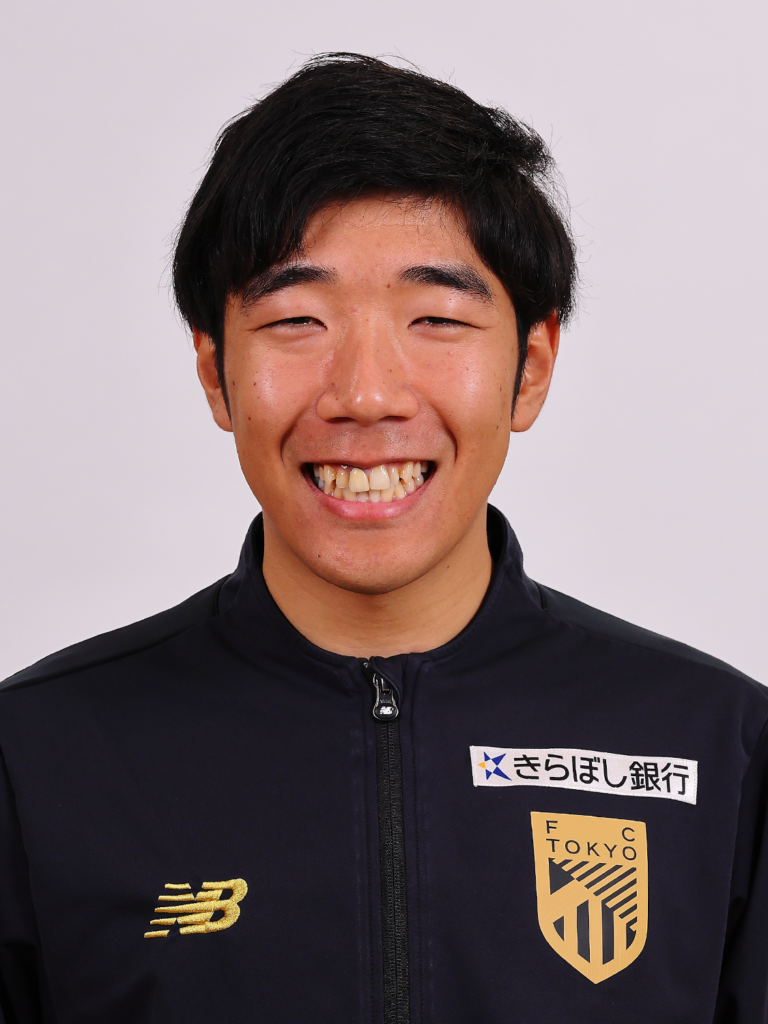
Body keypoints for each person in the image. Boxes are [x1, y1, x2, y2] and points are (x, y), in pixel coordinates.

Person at [0, 52, 765, 1024]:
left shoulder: (721, 746)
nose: (366, 394)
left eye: (436, 317)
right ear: (214, 371)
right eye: (297, 319)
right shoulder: (38, 757)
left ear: (531, 367)